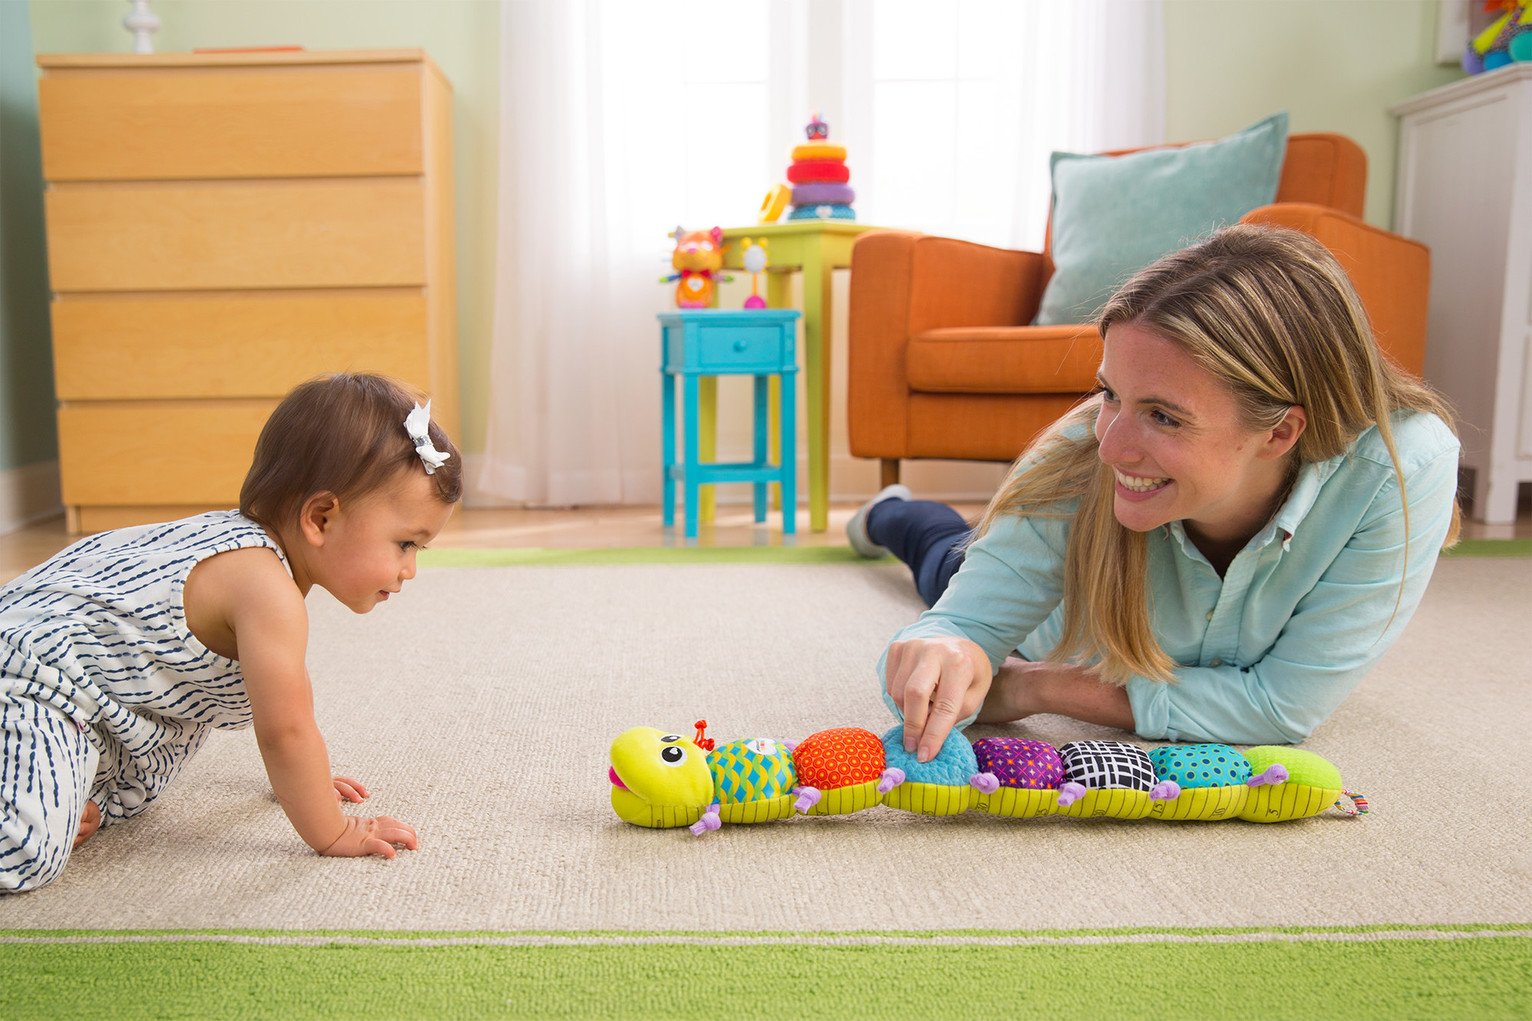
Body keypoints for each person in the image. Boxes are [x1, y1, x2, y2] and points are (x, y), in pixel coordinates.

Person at [848, 225, 1461, 763]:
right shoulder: (1076, 454)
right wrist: (947, 651)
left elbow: (1279, 708)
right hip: (1048, 611)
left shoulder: (1401, 469)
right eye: (1109, 393)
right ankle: (889, 514)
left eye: (1164, 416)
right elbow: (950, 631)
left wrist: (1037, 687)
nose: (1110, 448)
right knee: (943, 555)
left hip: (1050, 660)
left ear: (1280, 430)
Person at [0, 373, 460, 893]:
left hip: (97, 701)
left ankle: (48, 784)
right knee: (24, 851)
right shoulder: (265, 588)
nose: (410, 570)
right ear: (321, 517)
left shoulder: (253, 556)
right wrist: (332, 831)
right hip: (31, 678)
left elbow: (278, 715)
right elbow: (286, 732)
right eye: (405, 544)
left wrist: (303, 783)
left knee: (132, 789)